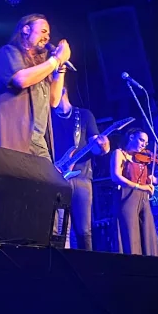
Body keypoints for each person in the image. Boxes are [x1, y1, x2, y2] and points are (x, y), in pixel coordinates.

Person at [0, 14, 69, 160]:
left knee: (47, 175)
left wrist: (60, 70)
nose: (47, 37)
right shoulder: (8, 52)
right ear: (26, 30)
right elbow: (21, 80)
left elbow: (54, 101)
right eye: (43, 31)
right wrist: (56, 59)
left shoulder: (41, 68)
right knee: (11, 173)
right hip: (11, 134)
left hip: (37, 139)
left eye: (48, 34)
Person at [111, 128, 158, 256]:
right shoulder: (119, 153)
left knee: (147, 235)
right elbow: (116, 176)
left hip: (143, 199)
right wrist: (140, 187)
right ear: (131, 137)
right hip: (127, 198)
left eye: (146, 143)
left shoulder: (143, 158)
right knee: (130, 236)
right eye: (141, 140)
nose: (143, 145)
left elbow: (154, 180)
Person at [52, 87, 109, 250]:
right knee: (62, 230)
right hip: (56, 177)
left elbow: (97, 149)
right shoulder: (48, 117)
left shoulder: (84, 115)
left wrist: (104, 146)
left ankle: (87, 263)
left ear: (63, 90)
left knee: (84, 231)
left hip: (81, 177)